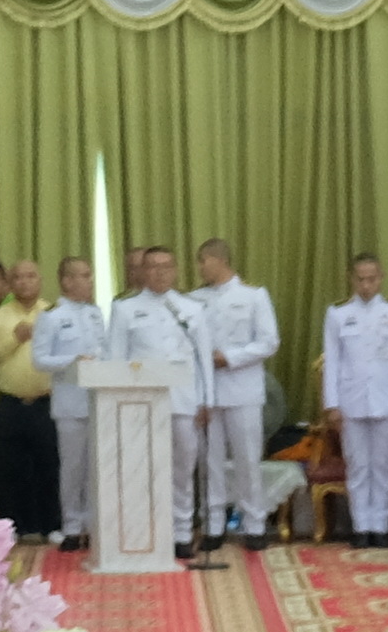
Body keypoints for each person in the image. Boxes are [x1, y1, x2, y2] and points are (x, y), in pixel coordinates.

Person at [103, 246, 212, 567]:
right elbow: (115, 360)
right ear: (142, 272)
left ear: (176, 270)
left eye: (166, 266)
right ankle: (143, 533)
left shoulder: (191, 307)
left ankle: (180, 534)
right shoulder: (125, 309)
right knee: (141, 470)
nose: (160, 273)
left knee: (182, 468)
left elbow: (203, 359)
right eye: (152, 267)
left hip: (184, 401)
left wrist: (208, 401)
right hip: (139, 404)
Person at [185, 239, 278, 552]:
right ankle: (213, 523)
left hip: (243, 389)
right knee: (209, 460)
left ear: (217, 259)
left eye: (203, 261)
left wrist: (231, 357)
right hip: (208, 392)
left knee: (247, 459)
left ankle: (254, 523)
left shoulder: (253, 296)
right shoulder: (194, 299)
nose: (200, 268)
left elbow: (269, 342)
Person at [322, 256, 388, 546]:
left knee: (383, 464)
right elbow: (333, 361)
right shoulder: (338, 314)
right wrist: (332, 404)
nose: (366, 284)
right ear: (352, 278)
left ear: (381, 277)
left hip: (386, 399)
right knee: (358, 464)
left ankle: (382, 525)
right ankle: (361, 525)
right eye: (360, 279)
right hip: (351, 400)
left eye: (371, 278)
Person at [0, 261, 55, 538]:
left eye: (30, 276)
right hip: (9, 404)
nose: (24, 282)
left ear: (39, 280)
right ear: (10, 283)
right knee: (9, 468)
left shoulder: (52, 313)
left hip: (47, 403)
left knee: (49, 466)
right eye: (17, 278)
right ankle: (13, 528)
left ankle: (52, 526)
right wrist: (14, 339)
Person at [34, 256, 107, 551]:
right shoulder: (51, 316)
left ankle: (94, 524)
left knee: (97, 466)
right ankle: (72, 527)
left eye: (90, 275)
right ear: (66, 281)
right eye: (84, 275)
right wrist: (72, 361)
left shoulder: (95, 314)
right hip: (69, 402)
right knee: (73, 466)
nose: (90, 281)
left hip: (99, 400)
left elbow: (105, 352)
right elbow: (39, 359)